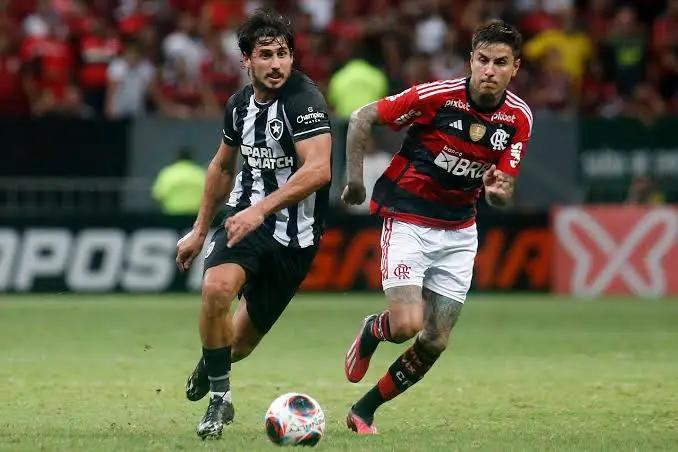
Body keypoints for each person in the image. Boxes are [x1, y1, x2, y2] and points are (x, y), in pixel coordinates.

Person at [341, 20, 533, 434]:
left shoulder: (519, 118)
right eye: (482, 60)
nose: (489, 70)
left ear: (514, 68)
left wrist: (499, 191)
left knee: (434, 340)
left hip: (461, 230)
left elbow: (502, 192)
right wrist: (355, 180)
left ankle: (363, 411)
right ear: (470, 60)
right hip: (409, 216)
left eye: (500, 63)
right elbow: (361, 117)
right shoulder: (439, 97)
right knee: (407, 324)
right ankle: (374, 330)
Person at [175, 9, 332, 440]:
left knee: (237, 345)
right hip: (242, 222)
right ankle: (220, 401)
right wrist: (200, 228)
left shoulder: (304, 100)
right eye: (266, 55)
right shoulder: (239, 105)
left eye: (283, 54)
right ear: (247, 60)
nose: (277, 63)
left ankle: (212, 365)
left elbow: (318, 170)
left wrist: (262, 209)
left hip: (294, 239)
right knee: (215, 291)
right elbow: (223, 167)